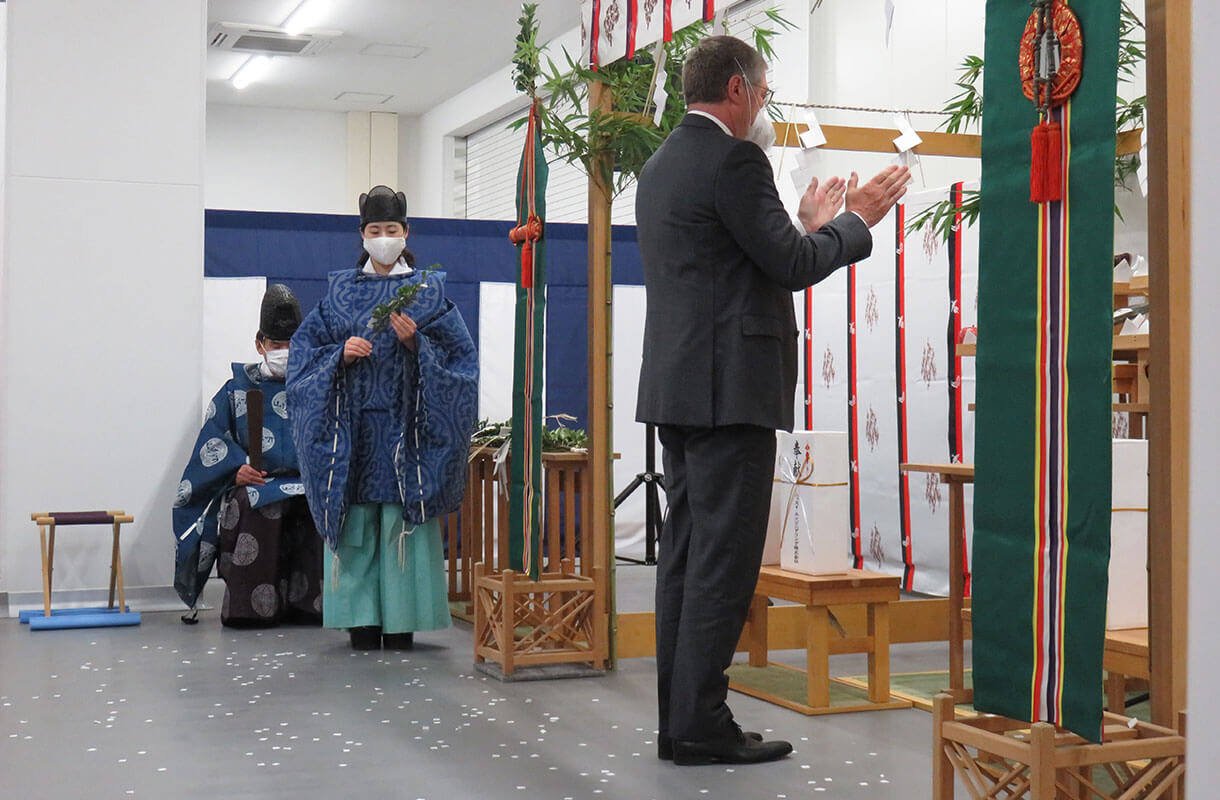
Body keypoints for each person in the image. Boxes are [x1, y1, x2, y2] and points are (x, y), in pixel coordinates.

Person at [634, 36, 910, 766]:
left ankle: (680, 720)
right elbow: (786, 265)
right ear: (737, 89)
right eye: (762, 89)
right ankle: (702, 725)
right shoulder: (735, 158)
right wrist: (856, 224)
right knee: (722, 565)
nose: (765, 103)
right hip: (733, 394)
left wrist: (810, 225)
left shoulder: (660, 166)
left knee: (687, 561)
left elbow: (736, 262)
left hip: (678, 386)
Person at [287, 185, 478, 651]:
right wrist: (339, 355)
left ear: (406, 232)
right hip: (352, 432)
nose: (384, 237)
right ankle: (361, 620)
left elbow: (462, 364)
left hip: (408, 429)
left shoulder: (428, 293)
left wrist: (419, 345)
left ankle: (402, 621)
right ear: (362, 235)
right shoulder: (339, 293)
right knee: (357, 522)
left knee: (399, 522)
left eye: (392, 229)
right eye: (375, 230)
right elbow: (302, 357)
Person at [173, 284, 324, 627]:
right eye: (276, 345)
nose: (284, 352)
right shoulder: (237, 388)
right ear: (260, 344)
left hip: (308, 482)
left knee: (318, 505)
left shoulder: (317, 387)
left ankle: (311, 606)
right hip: (256, 482)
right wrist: (235, 469)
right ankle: (250, 608)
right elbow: (212, 443)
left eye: (290, 345)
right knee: (257, 503)